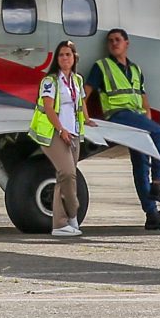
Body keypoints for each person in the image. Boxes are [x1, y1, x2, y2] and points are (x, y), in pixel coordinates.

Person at [90, 28, 160, 229]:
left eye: (117, 40)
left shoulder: (136, 69)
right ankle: (158, 182)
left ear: (127, 43)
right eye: (110, 41)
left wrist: (147, 117)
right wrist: (84, 118)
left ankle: (152, 215)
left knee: (140, 163)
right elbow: (85, 93)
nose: (114, 43)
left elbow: (143, 97)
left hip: (136, 116)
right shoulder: (101, 67)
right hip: (118, 115)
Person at [30, 39, 89, 239]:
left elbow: (80, 102)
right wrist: (61, 129)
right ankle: (73, 215)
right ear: (57, 59)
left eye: (68, 54)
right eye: (62, 55)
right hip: (53, 133)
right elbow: (48, 107)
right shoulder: (50, 81)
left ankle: (60, 224)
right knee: (68, 173)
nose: (65, 58)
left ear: (74, 58)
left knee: (62, 179)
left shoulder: (77, 80)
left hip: (73, 132)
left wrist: (87, 121)